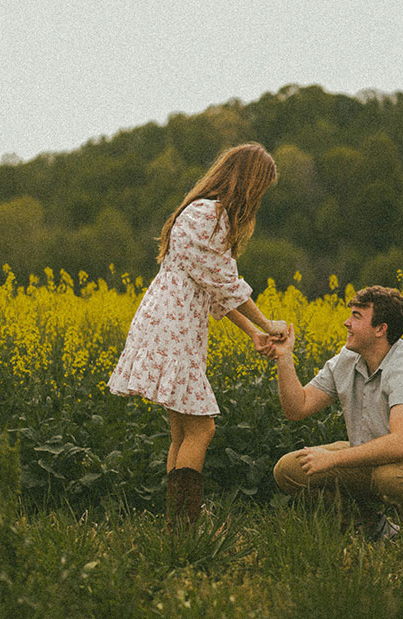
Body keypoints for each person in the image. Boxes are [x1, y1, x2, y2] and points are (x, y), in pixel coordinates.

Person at [108, 142, 286, 529]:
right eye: (261, 189)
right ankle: (184, 528)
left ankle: (176, 526)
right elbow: (223, 280)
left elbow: (210, 286)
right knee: (202, 428)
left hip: (173, 321)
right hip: (174, 327)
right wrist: (267, 323)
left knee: (182, 430)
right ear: (249, 183)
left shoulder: (201, 212)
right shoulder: (211, 214)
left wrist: (252, 334)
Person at [269, 285, 403, 546]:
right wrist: (284, 357)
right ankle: (374, 527)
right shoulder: (346, 360)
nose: (346, 322)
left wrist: (334, 458)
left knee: (391, 475)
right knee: (290, 469)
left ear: (380, 329)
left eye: (357, 316)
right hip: (375, 458)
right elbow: (297, 408)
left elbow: (402, 444)